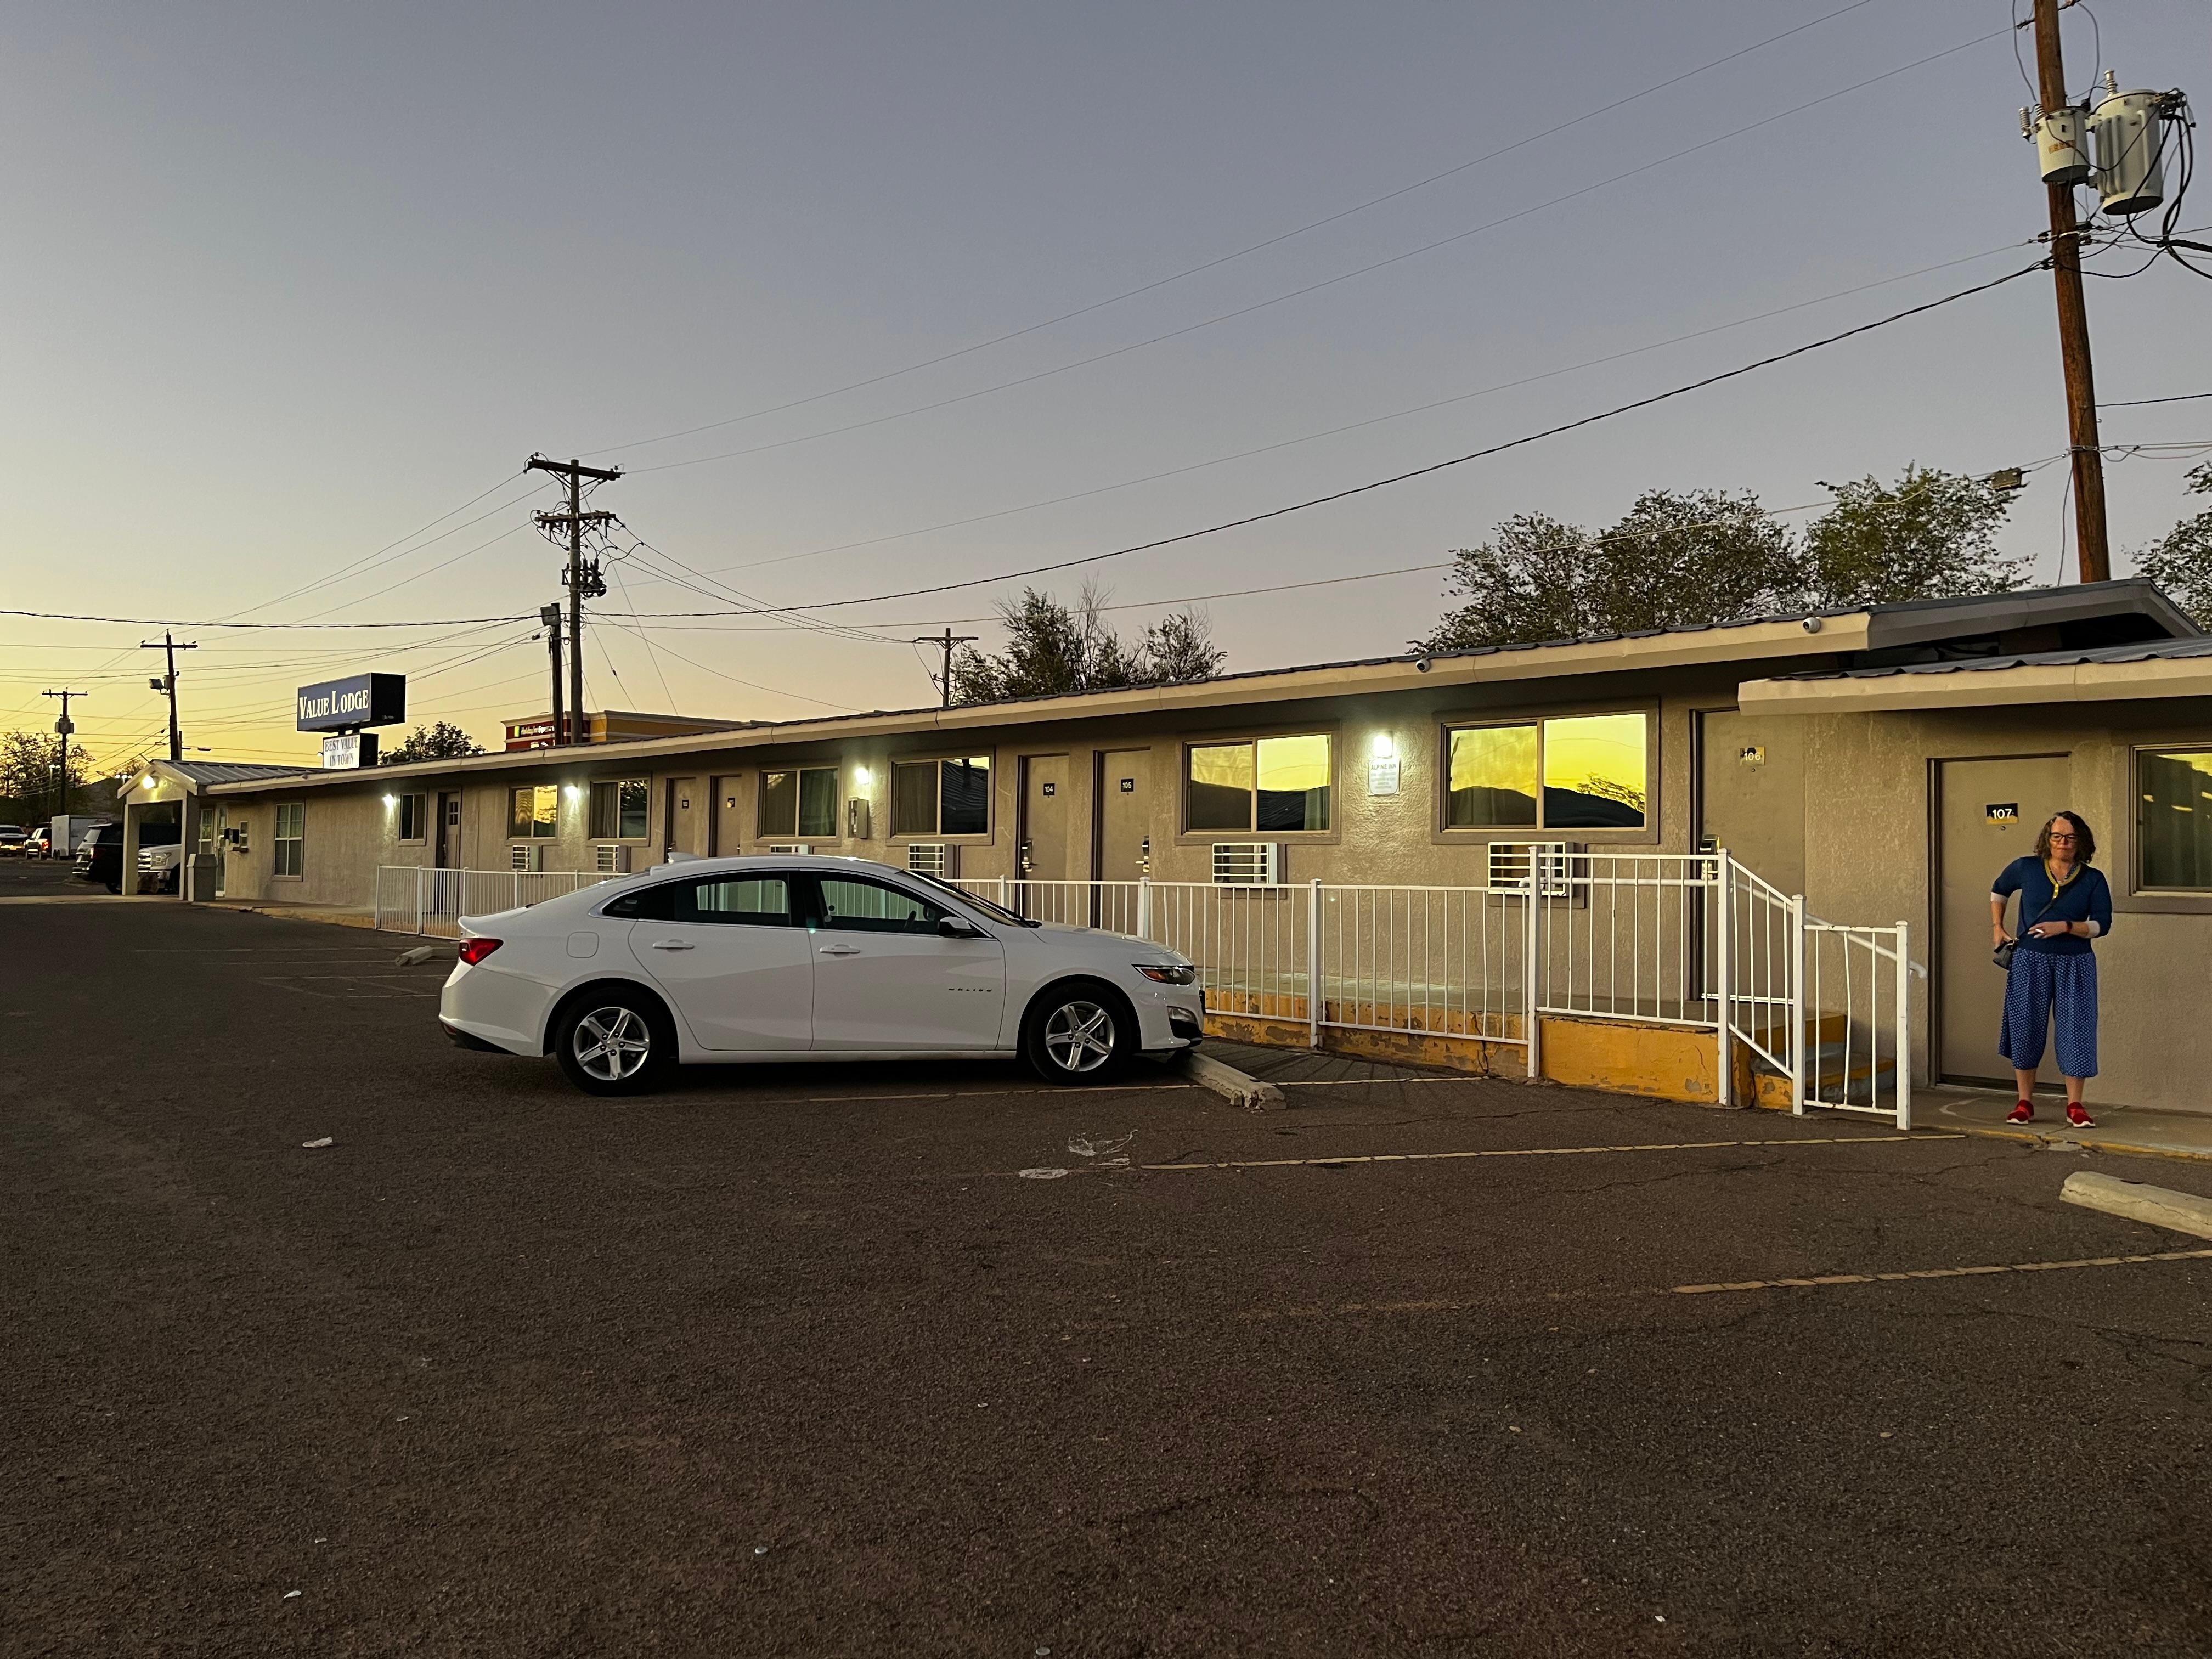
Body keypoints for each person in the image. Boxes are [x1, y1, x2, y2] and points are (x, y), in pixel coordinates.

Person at [1991, 811, 2112, 1127]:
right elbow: (1999, 890)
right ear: (2048, 838)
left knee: (2077, 1029)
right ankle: (2024, 1103)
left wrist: (2067, 926)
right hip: (2030, 959)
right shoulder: (2026, 868)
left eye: (2070, 837)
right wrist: (1997, 927)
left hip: (2077, 962)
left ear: (2080, 841)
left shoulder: (2093, 878)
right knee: (2025, 1026)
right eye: (2057, 836)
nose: (2063, 843)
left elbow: (2103, 925)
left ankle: (2075, 1106)